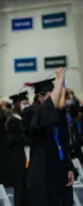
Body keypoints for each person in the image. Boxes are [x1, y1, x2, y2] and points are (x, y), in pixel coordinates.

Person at [26, 68, 75, 206]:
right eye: (53, 94)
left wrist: (69, 167)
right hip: (43, 172)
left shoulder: (59, 115)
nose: (58, 96)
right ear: (41, 97)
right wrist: (59, 80)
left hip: (59, 170)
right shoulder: (31, 113)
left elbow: (63, 143)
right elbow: (47, 111)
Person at [6, 91, 30, 206]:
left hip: (25, 157)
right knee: (20, 189)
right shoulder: (12, 122)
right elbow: (19, 139)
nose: (27, 106)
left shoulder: (22, 120)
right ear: (17, 106)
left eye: (27, 103)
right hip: (18, 159)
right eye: (24, 103)